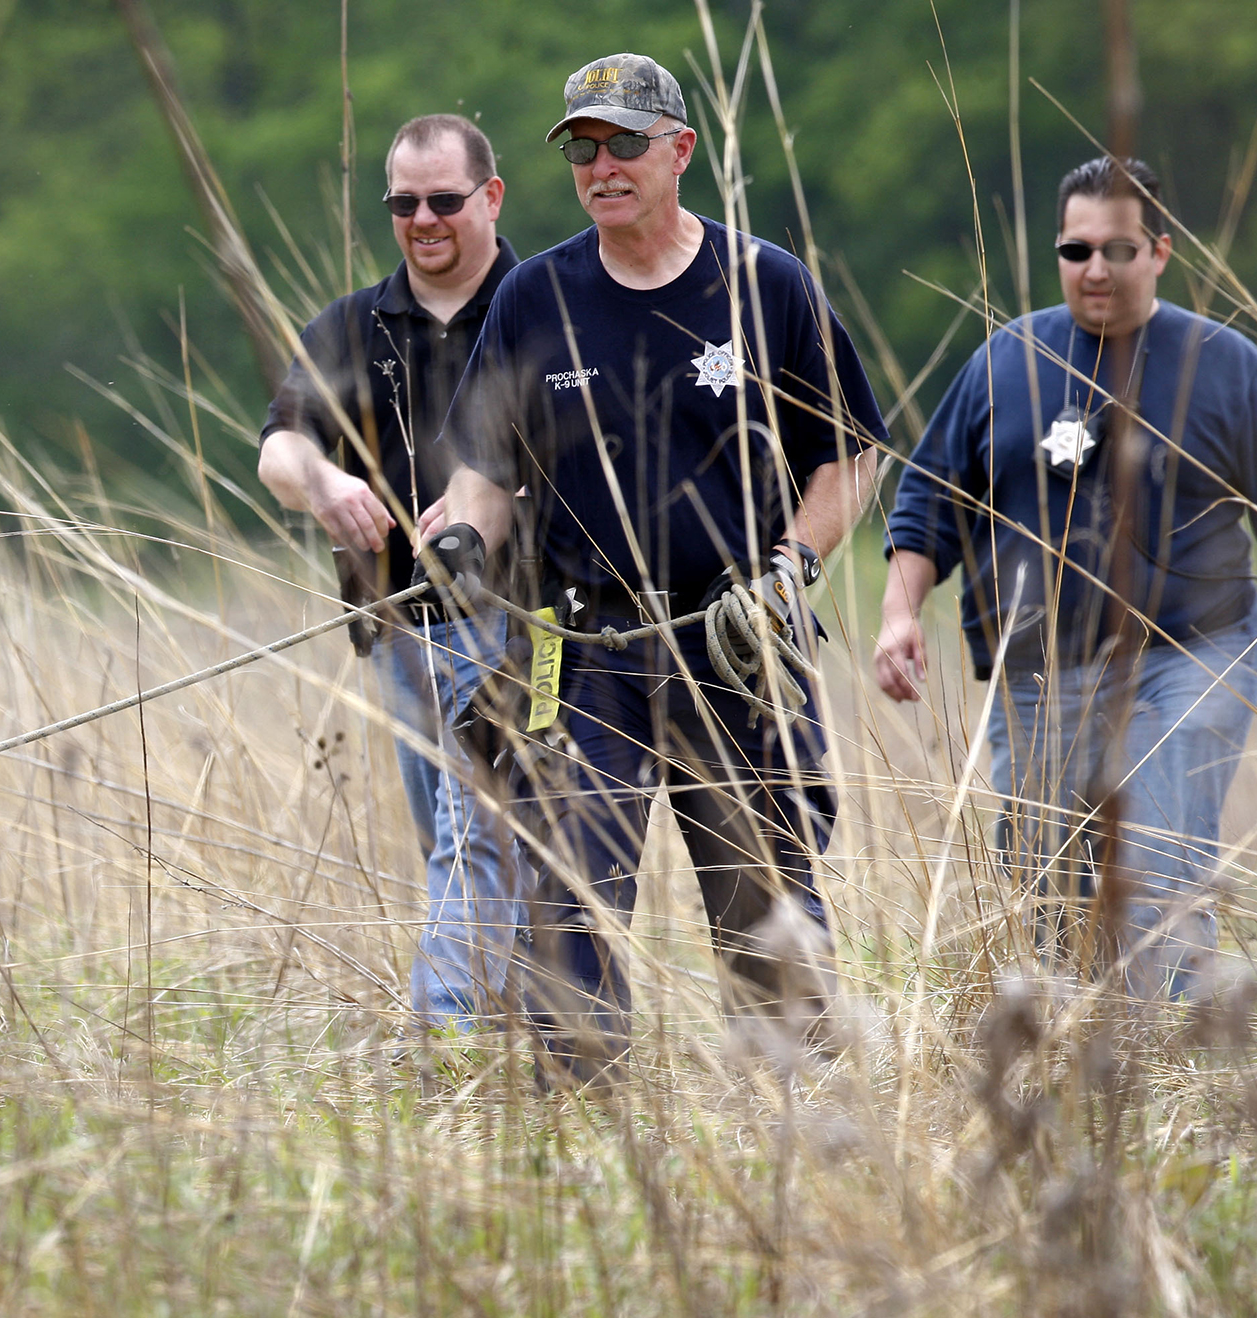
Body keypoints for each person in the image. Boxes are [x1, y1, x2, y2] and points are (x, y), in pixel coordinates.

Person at [422, 54, 885, 1082]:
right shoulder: (532, 295)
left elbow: (848, 453)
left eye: (623, 142)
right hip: (583, 651)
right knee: (567, 896)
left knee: (763, 899)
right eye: (582, 149)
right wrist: (460, 540)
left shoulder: (765, 284)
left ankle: (804, 1115)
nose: (601, 165)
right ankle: (581, 1127)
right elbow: (482, 474)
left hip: (734, 641)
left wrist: (788, 567)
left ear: (678, 149)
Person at [877, 156, 1257, 1003]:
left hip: (1192, 655)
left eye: (1118, 249)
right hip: (1040, 671)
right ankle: (1076, 1059)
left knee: (1156, 841)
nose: (1094, 268)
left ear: (1161, 253)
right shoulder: (1007, 362)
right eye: (1075, 250)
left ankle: (1174, 1053)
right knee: (1048, 889)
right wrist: (897, 614)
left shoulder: (1228, 367)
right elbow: (927, 502)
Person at [257, 114, 521, 1029]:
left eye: (445, 200)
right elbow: (279, 448)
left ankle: (445, 1041)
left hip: (525, 629)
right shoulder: (348, 326)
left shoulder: (547, 304)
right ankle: (515, 1036)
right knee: (457, 842)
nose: (424, 220)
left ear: (490, 197)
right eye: (403, 204)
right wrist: (325, 481)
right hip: (398, 632)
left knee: (478, 834)